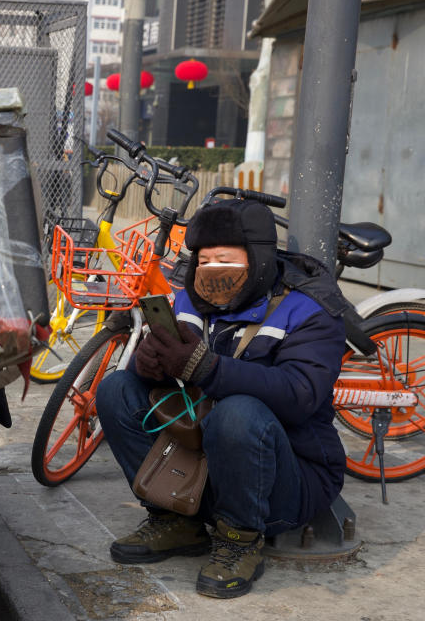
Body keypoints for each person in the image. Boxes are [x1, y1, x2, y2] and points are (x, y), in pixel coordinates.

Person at [95, 198, 348, 599]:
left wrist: (204, 368)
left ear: (258, 258)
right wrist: (150, 364)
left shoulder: (311, 310)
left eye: (225, 258)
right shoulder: (189, 300)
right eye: (205, 260)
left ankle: (241, 541)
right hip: (207, 461)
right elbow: (164, 375)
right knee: (115, 390)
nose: (212, 270)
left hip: (289, 479)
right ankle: (175, 519)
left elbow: (300, 395)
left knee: (238, 413)